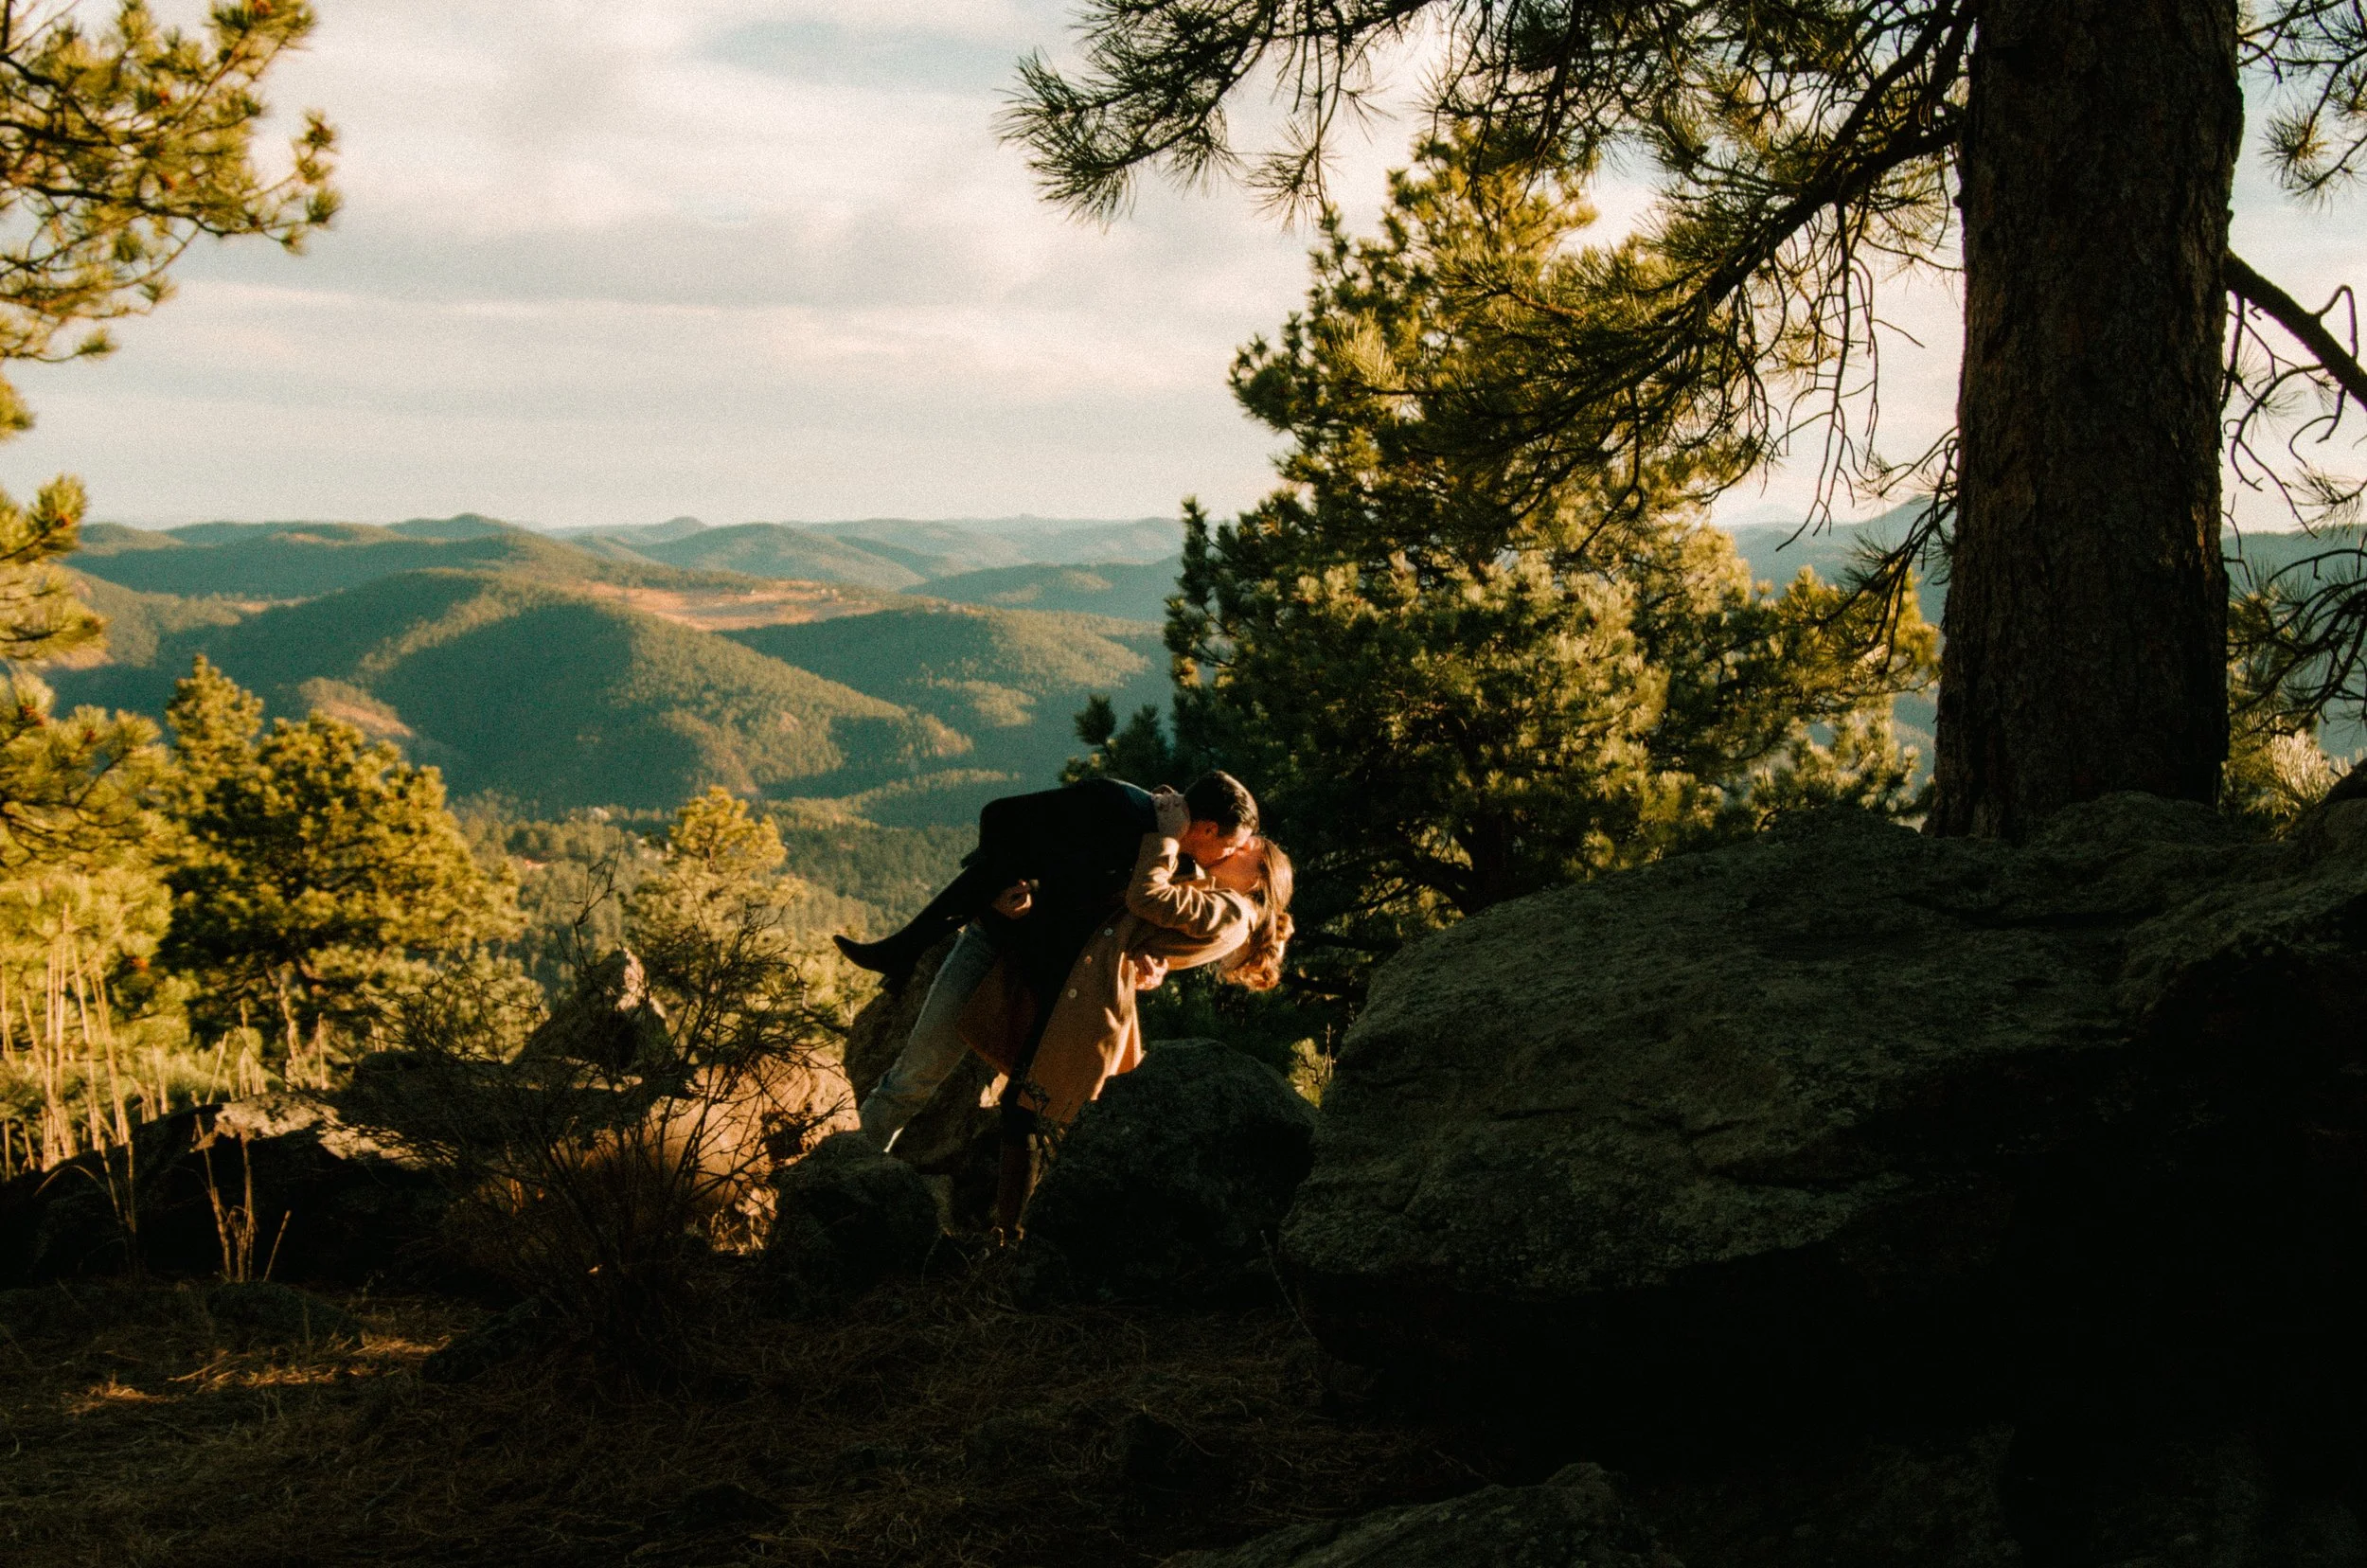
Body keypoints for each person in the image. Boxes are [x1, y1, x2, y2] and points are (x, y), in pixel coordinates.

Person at [845, 772, 1258, 1152]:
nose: (1228, 856)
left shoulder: (1180, 861)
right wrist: (1005, 890)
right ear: (1206, 828)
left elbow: (1136, 922)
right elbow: (1002, 817)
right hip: (996, 947)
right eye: (1229, 845)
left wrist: (1152, 963)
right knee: (919, 1073)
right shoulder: (1119, 806)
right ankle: (851, 1167)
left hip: (1055, 981)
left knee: (1024, 1109)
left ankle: (1004, 1224)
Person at [965, 799, 1294, 1230]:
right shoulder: (1227, 907)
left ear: (1260, 878)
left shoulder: (1232, 911)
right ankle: (1016, 1232)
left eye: (1252, 848)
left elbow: (1147, 899)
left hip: (1090, 1005)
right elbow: (1152, 937)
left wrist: (1167, 838)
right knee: (1027, 1109)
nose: (1239, 846)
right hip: (1087, 995)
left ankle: (1014, 1235)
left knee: (1028, 1112)